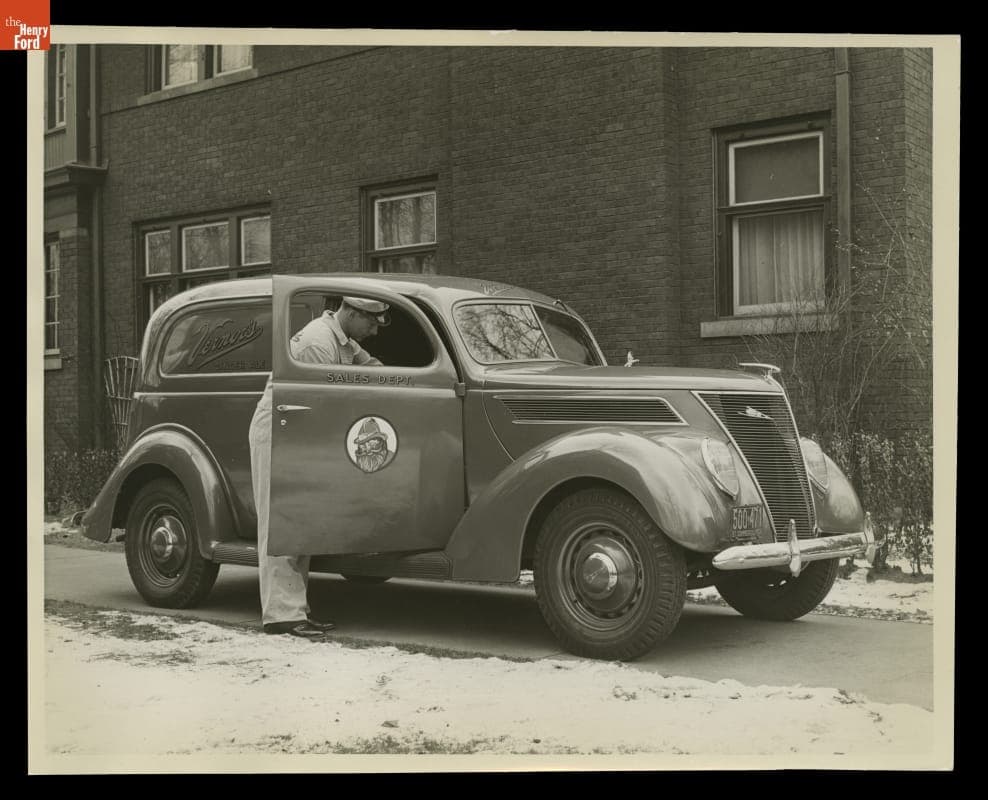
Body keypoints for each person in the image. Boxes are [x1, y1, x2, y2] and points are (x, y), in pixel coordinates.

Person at [249, 296, 391, 638]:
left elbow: (373, 368)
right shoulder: (317, 341)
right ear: (353, 313)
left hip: (300, 435)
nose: (373, 330)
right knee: (282, 524)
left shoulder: (341, 339)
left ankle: (294, 610)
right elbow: (325, 401)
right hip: (281, 434)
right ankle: (281, 615)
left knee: (300, 524)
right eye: (371, 322)